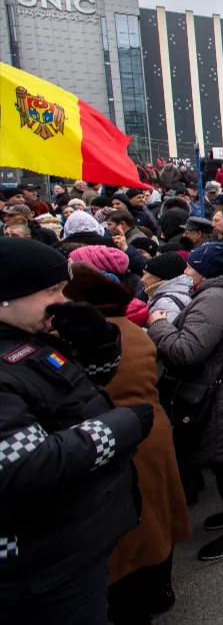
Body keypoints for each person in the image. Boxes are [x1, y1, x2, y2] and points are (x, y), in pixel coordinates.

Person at [0, 238, 153, 623]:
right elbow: (26, 465)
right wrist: (121, 425)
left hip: (65, 544)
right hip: (34, 562)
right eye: (51, 290)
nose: (62, 300)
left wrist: (100, 345)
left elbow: (77, 390)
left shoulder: (26, 339)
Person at [63, 264, 192, 625]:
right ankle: (161, 588)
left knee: (135, 529)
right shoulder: (136, 332)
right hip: (148, 432)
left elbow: (186, 351)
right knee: (156, 517)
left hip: (121, 440)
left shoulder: (94, 343)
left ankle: (142, 596)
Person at [146, 243, 223, 561]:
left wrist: (158, 325)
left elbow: (187, 351)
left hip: (219, 389)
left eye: (191, 267)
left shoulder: (214, 300)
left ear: (207, 270)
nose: (186, 272)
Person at [142, 252, 193, 325]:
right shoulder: (168, 296)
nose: (142, 279)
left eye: (145, 274)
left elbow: (163, 334)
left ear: (158, 277)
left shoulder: (167, 304)